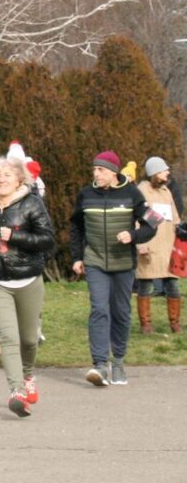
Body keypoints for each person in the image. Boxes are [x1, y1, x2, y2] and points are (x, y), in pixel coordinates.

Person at [0, 156, 55, 416]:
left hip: (28, 278)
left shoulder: (32, 203)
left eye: (7, 174)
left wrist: (15, 236)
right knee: (9, 336)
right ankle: (17, 392)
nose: (1, 179)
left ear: (19, 178)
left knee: (29, 339)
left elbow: (47, 240)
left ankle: (28, 376)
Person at [70, 151, 156, 387]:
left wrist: (134, 235)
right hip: (95, 260)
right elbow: (76, 227)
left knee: (120, 312)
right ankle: (99, 364)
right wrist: (77, 257)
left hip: (123, 264)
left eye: (100, 170)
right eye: (94, 170)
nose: (95, 174)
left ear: (113, 172)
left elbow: (152, 224)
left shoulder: (132, 193)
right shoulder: (86, 194)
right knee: (99, 309)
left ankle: (117, 361)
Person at [136, 156, 181, 334]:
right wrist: (140, 244)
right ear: (154, 172)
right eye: (164, 170)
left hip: (168, 246)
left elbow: (175, 218)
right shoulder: (141, 191)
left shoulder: (166, 191)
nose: (167, 173)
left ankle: (175, 323)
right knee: (146, 286)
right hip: (150, 245)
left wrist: (181, 233)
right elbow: (136, 219)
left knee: (173, 286)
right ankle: (146, 324)